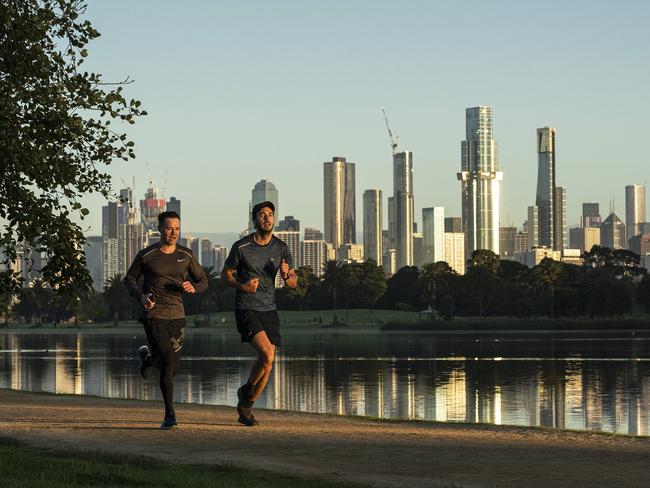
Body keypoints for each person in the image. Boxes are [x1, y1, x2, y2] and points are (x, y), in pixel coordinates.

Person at [124, 210, 207, 429]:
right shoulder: (147, 255)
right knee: (169, 362)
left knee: (172, 367)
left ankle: (149, 360)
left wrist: (193, 287)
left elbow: (203, 281)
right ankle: (170, 415)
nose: (173, 233)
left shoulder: (186, 255)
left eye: (177, 228)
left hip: (178, 317)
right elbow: (130, 279)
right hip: (154, 316)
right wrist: (141, 297)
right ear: (160, 228)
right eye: (169, 228)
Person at [221, 201, 297, 426]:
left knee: (268, 364)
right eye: (262, 215)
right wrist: (243, 286)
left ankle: (246, 404)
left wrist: (286, 276)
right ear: (254, 220)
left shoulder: (281, 247)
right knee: (267, 355)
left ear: (274, 219)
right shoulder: (241, 247)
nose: (267, 218)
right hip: (246, 307)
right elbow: (226, 275)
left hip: (270, 309)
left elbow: (293, 282)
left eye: (270, 215)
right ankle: (246, 392)